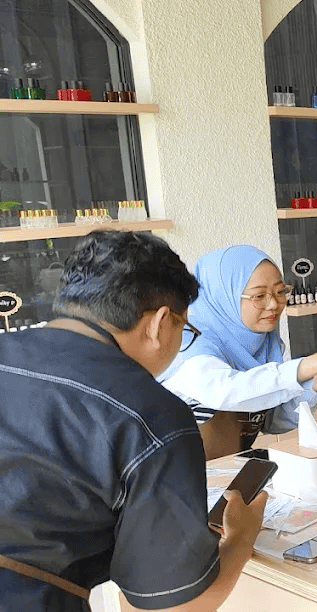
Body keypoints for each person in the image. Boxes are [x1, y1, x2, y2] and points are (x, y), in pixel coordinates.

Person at [0, 230, 266, 611]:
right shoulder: (152, 417)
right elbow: (171, 606)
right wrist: (241, 538)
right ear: (159, 324)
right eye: (185, 330)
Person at [159, 245, 317, 460]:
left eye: (280, 292)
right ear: (222, 296)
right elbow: (228, 392)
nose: (273, 304)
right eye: (259, 296)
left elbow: (269, 420)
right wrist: (311, 363)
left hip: (228, 472)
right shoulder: (188, 345)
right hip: (176, 478)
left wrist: (313, 388)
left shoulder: (262, 345)